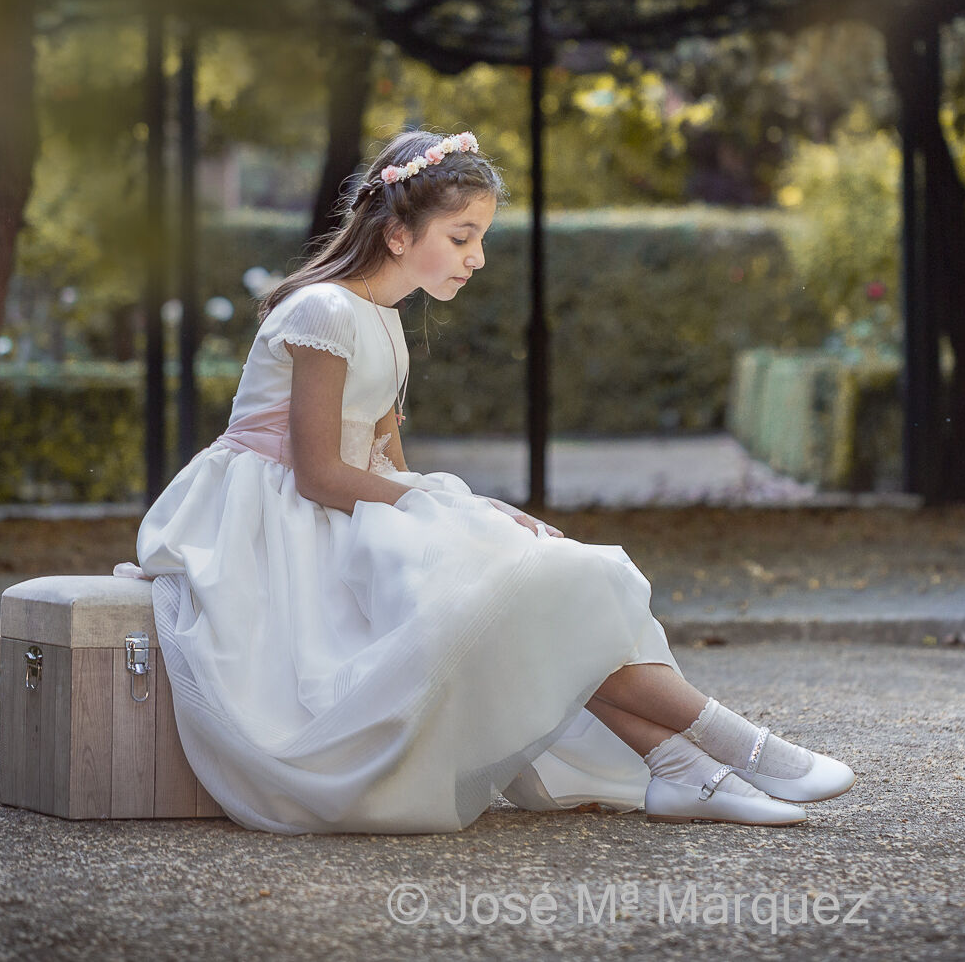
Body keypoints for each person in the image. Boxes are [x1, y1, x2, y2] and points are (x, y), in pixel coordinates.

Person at [133, 128, 855, 834]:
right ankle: (739, 750)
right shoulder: (321, 310)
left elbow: (390, 464)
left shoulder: (383, 318)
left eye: (481, 238)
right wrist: (452, 513)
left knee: (550, 574)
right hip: (275, 519)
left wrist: (477, 519)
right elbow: (321, 471)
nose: (476, 257)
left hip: (350, 506)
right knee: (534, 582)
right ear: (396, 233)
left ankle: (685, 768)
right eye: (461, 236)